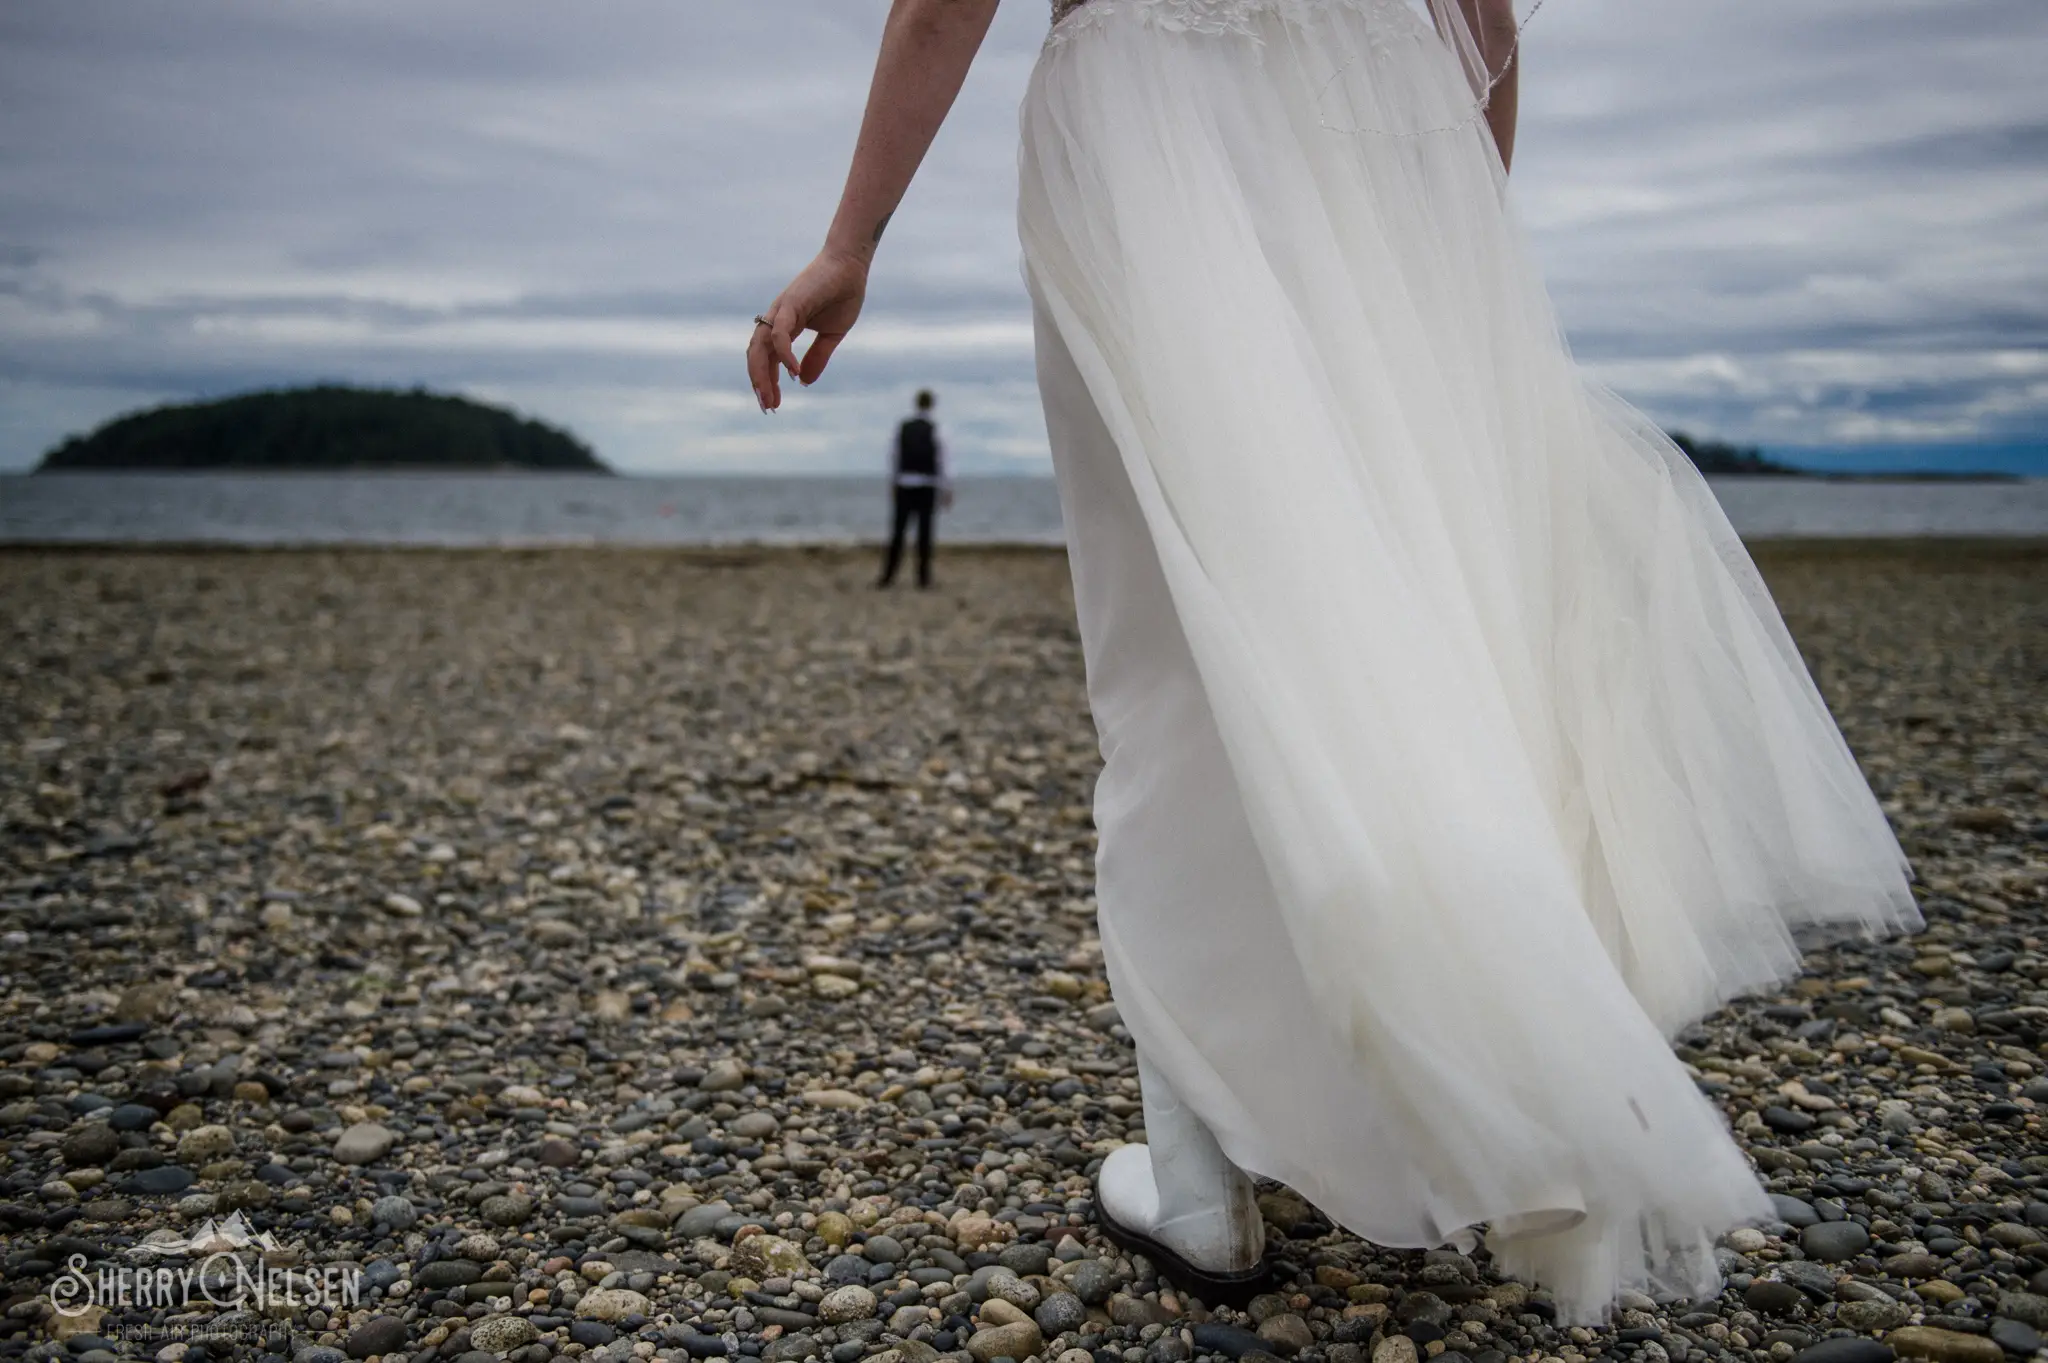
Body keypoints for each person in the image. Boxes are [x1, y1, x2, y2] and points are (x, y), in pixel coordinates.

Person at [745, 0, 1918, 1322]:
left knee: (1180, 635)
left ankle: (1206, 1169)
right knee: (1390, 606)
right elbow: (1481, 11)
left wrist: (850, 242)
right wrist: (1447, 235)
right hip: (1386, 119)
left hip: (1149, 112)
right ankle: (1445, 1076)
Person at [878, 388, 950, 589]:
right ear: (932, 404)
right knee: (925, 534)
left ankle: (888, 576)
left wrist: (893, 481)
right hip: (927, 485)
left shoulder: (903, 427)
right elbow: (943, 459)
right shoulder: (936, 428)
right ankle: (923, 578)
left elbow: (893, 456)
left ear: (916, 403)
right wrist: (946, 487)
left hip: (905, 483)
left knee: (898, 532)